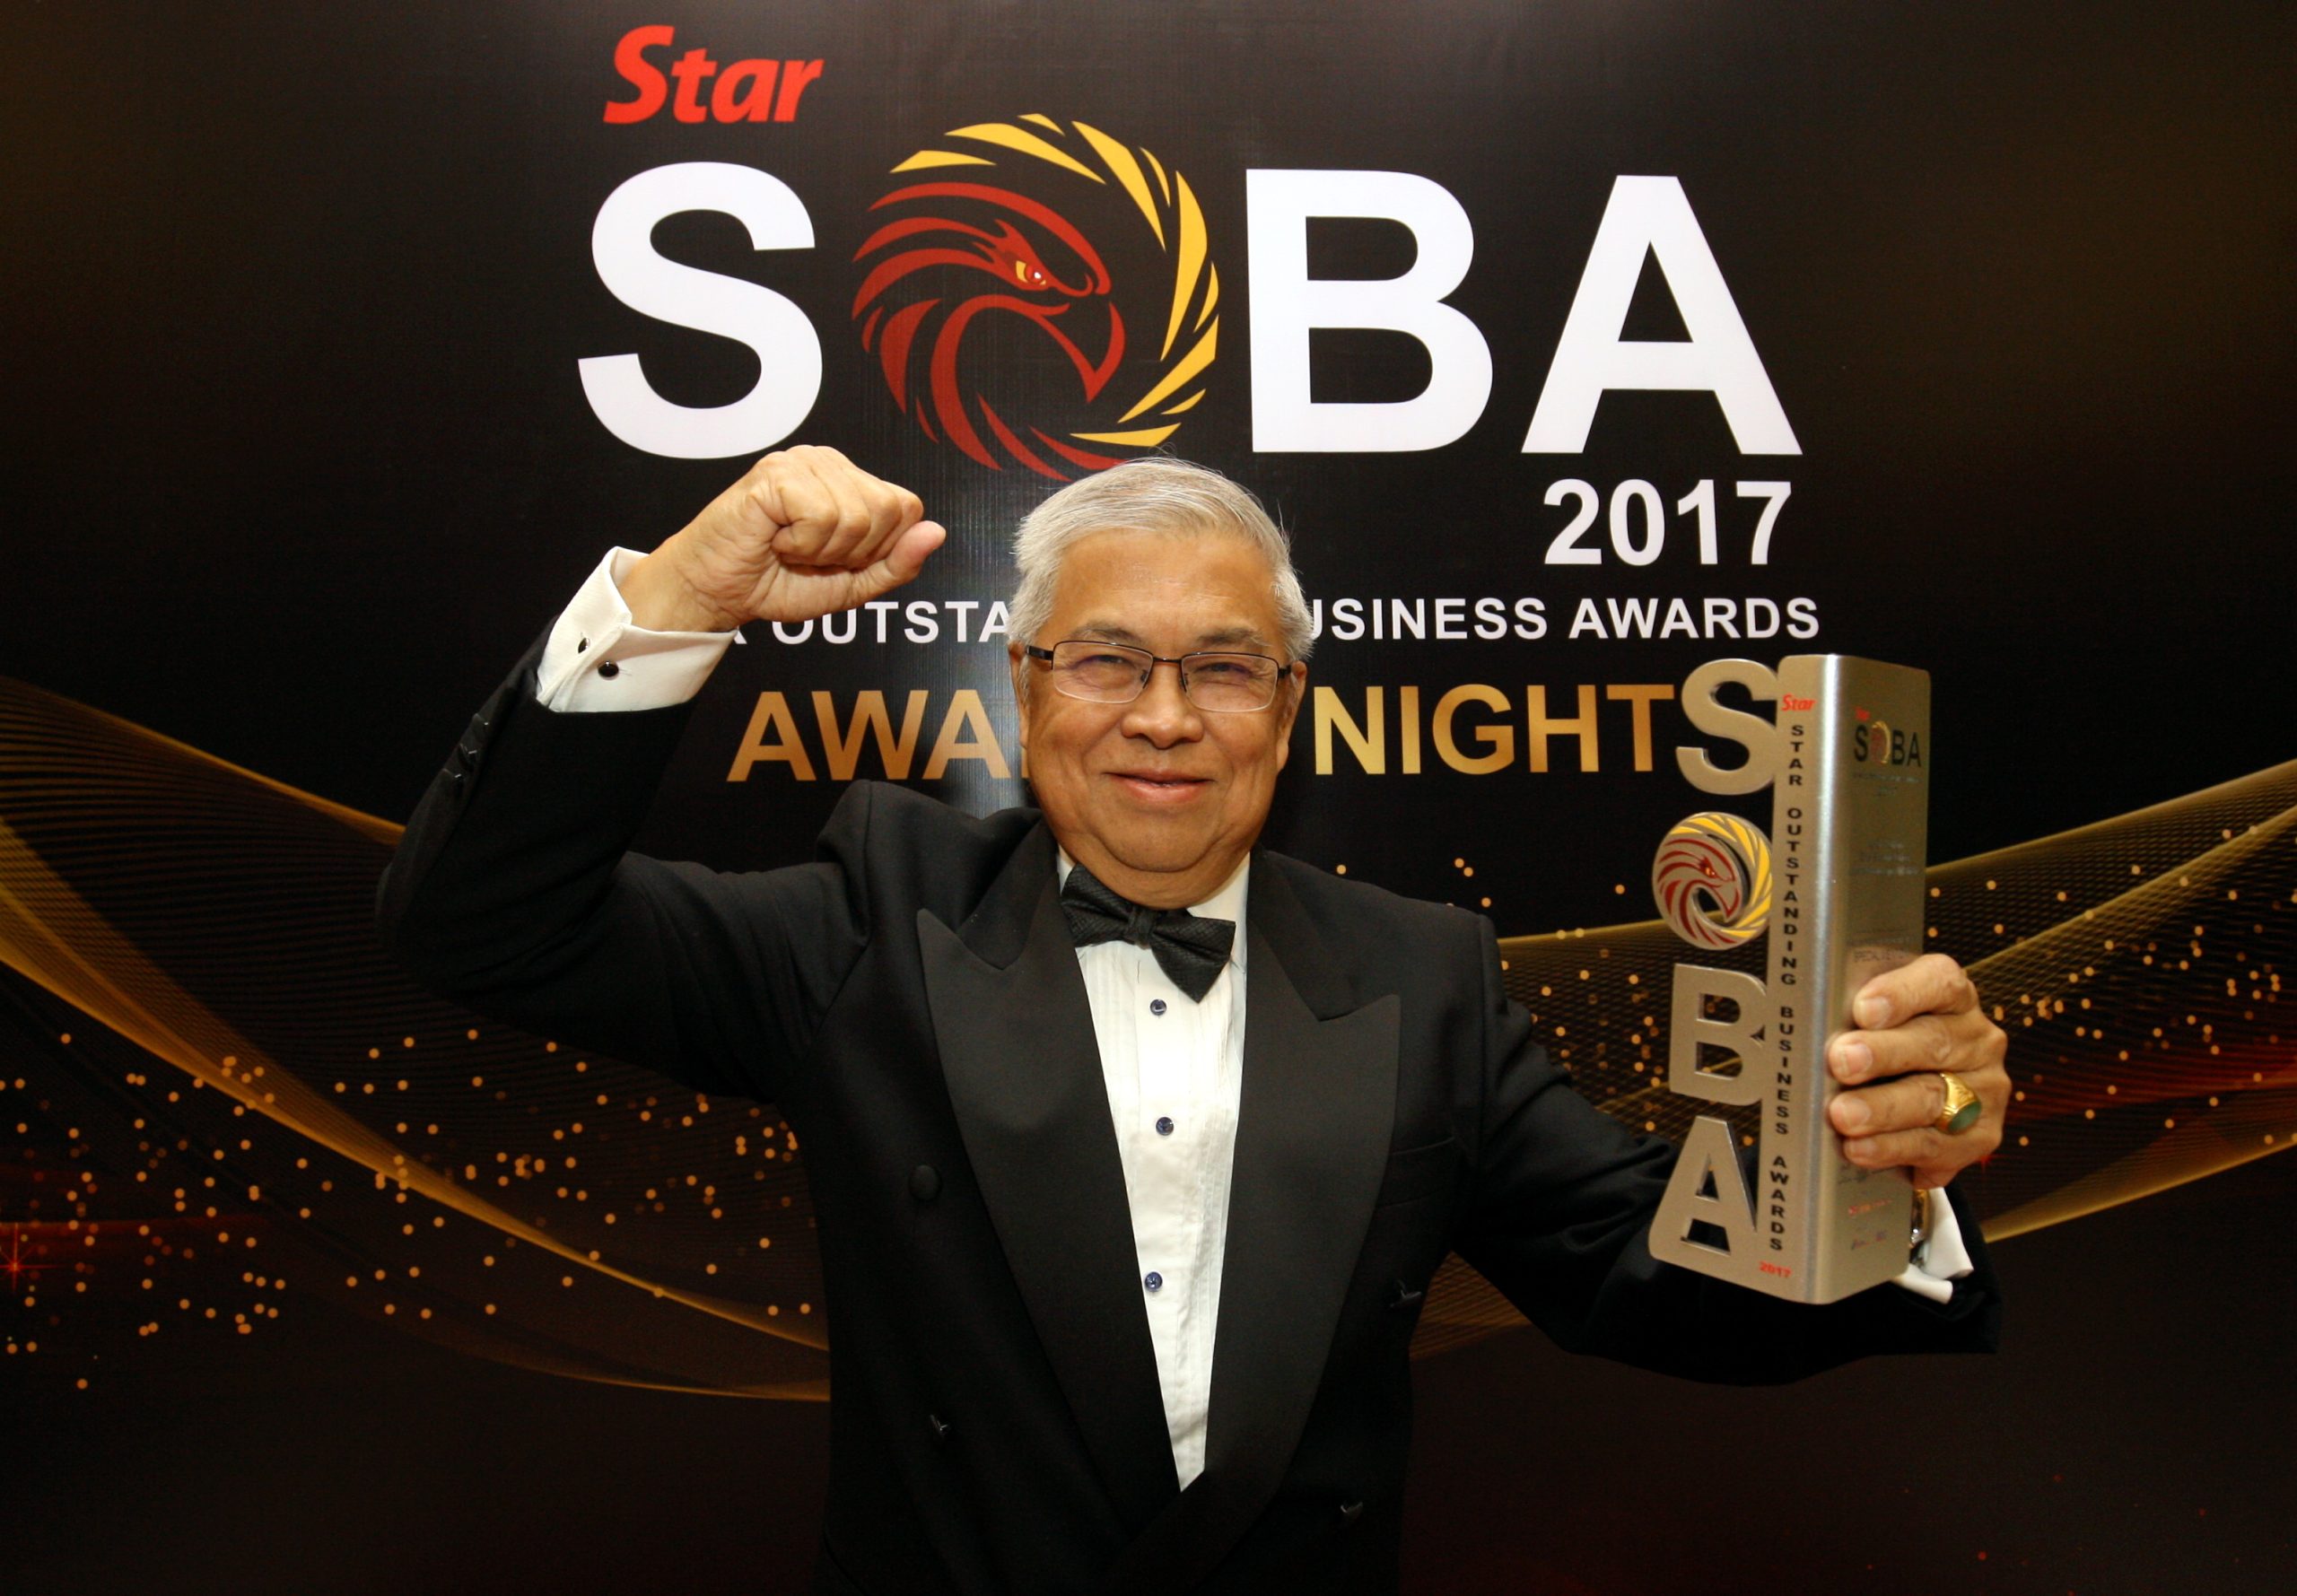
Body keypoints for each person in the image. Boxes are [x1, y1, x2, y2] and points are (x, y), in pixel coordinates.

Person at [377, 446, 2007, 1595]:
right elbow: (480, 923)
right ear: (1024, 688)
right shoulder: (874, 915)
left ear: (1289, 712)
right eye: (1107, 660)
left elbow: (1646, 1277)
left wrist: (1890, 1171)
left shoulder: (1419, 971)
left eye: (1226, 670)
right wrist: (677, 594)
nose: (1165, 717)